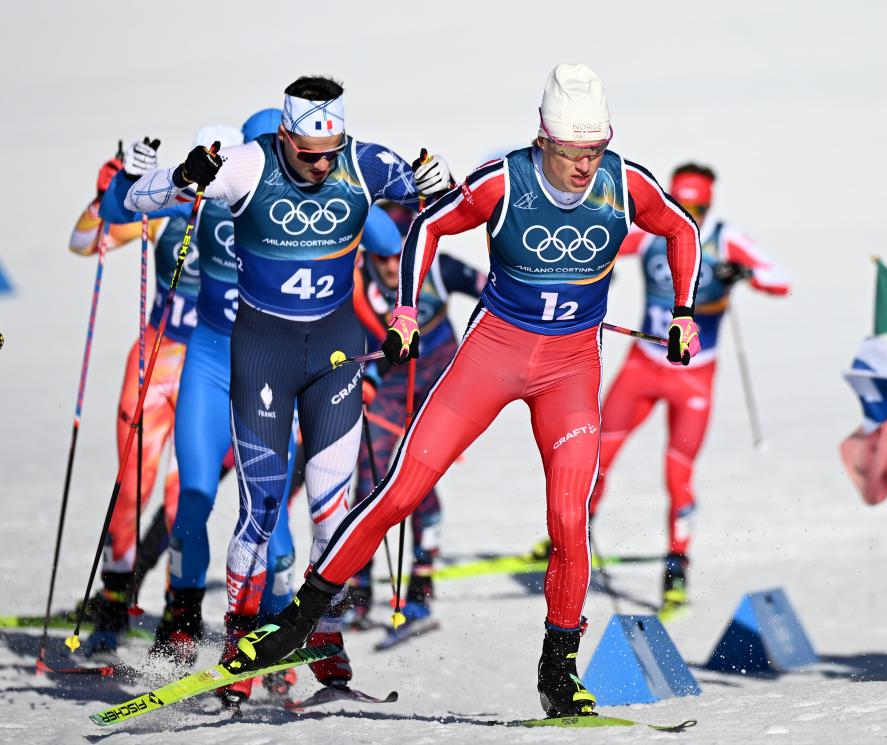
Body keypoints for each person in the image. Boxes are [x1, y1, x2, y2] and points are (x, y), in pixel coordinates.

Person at [226, 63, 703, 718]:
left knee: (569, 517)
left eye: (594, 150)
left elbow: (681, 228)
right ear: (543, 139)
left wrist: (683, 312)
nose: (583, 165)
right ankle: (297, 622)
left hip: (570, 368)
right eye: (571, 151)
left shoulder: (626, 183)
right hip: (493, 354)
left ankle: (558, 671)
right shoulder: (503, 180)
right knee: (401, 490)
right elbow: (428, 227)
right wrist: (403, 312)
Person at [125, 75, 452, 708]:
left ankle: (323, 632)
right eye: (308, 153)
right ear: (284, 136)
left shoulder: (366, 162)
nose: (322, 165)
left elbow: (453, 208)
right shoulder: (247, 166)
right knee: (262, 512)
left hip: (335, 355)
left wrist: (437, 183)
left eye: (331, 152)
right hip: (263, 356)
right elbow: (140, 199)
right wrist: (184, 177)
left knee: (333, 513)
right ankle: (240, 640)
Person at [589, 163, 790, 614]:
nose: (687, 215)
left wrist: (744, 274)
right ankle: (573, 534)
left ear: (708, 205)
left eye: (696, 208)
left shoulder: (724, 237)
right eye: (680, 204)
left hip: (693, 377)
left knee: (677, 475)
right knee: (595, 453)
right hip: (642, 367)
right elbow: (598, 241)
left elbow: (780, 279)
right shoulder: (652, 228)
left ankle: (676, 565)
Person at [153, 114, 301, 677]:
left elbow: (383, 232)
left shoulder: (308, 211)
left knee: (270, 515)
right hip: (210, 365)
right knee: (193, 497)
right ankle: (181, 619)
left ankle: (276, 628)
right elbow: (125, 210)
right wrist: (128, 178)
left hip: (268, 374)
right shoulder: (218, 195)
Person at [69, 137, 205, 654]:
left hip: (211, 367)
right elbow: (85, 242)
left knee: (185, 496)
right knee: (131, 487)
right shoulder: (173, 202)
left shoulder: (252, 212)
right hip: (156, 357)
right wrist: (107, 195)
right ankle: (112, 602)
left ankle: (179, 615)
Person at [343, 203, 485, 635]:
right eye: (381, 258)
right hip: (388, 384)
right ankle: (357, 590)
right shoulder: (356, 275)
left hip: (439, 384)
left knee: (417, 479)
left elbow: (494, 289)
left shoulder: (438, 266)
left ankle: (420, 590)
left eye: (398, 256)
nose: (391, 267)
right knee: (368, 478)